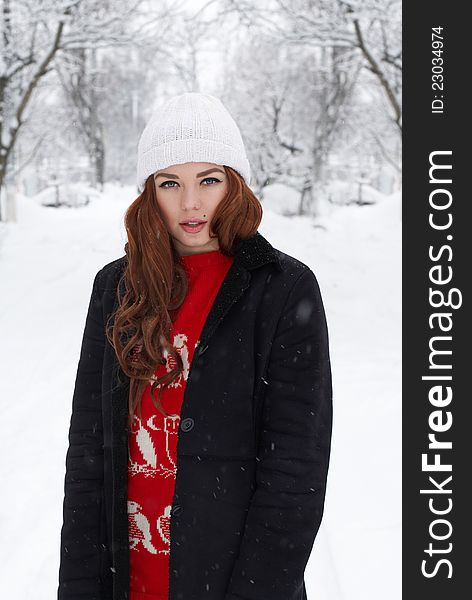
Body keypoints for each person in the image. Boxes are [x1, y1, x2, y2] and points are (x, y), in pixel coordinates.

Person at [57, 92, 333, 600]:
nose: (191, 203)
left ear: (234, 183)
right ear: (149, 193)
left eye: (209, 179)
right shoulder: (116, 288)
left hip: (232, 581)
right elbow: (90, 455)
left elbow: (295, 471)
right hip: (128, 580)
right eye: (170, 183)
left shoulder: (284, 290)